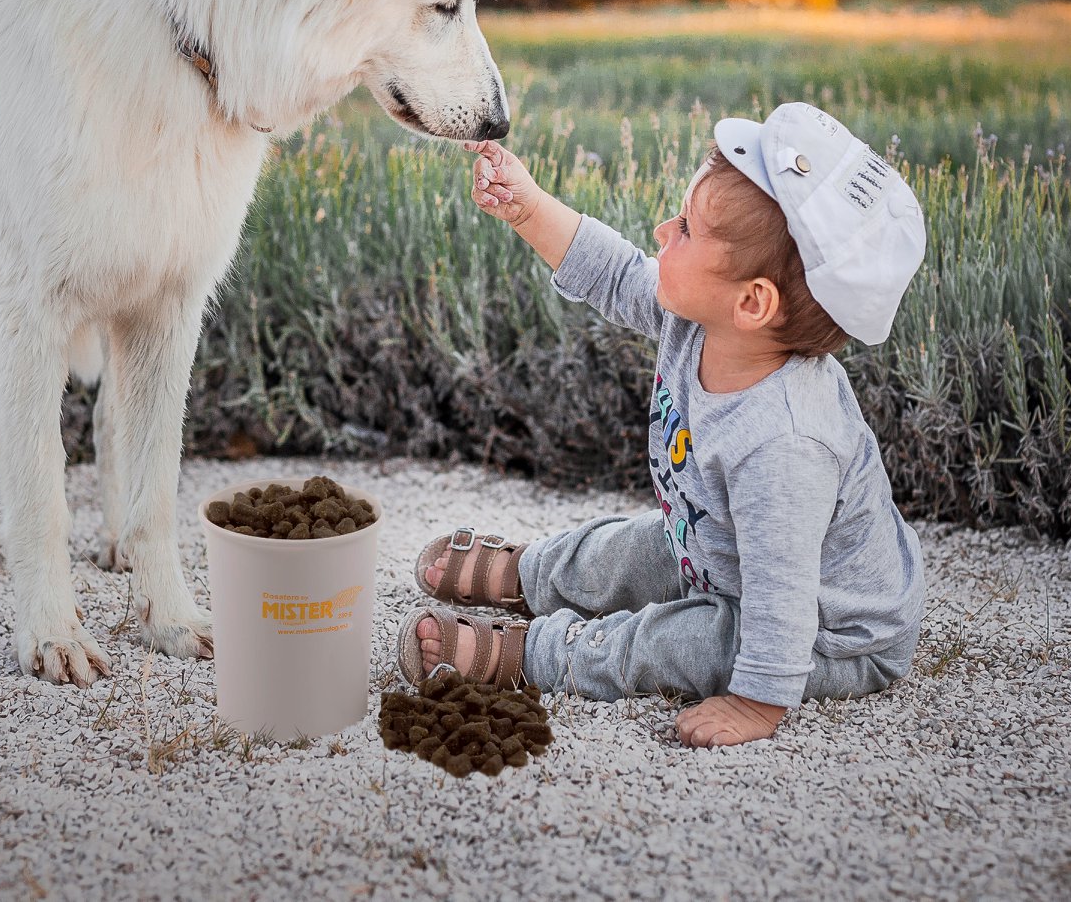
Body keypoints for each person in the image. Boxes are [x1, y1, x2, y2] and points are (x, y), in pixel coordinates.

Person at [397, 103, 929, 747]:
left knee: (679, 640)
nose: (661, 230)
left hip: (828, 632)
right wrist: (529, 208)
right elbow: (615, 272)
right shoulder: (702, 323)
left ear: (753, 301)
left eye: (687, 230)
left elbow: (782, 598)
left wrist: (757, 704)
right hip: (715, 547)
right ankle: (531, 574)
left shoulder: (786, 444)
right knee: (629, 547)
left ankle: (534, 654)